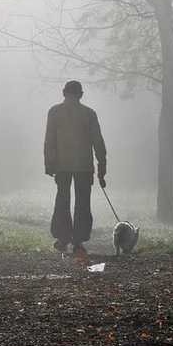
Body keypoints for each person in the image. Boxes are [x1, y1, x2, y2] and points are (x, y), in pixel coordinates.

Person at [44, 80, 106, 256]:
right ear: (81, 94)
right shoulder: (89, 114)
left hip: (62, 165)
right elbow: (98, 142)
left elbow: (50, 140)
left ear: (64, 93)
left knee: (62, 200)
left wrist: (49, 164)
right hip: (84, 166)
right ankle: (78, 240)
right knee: (83, 202)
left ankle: (63, 238)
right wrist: (102, 167)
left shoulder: (54, 112)